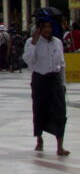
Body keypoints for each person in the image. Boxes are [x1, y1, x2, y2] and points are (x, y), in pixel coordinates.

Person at [23, 16, 69, 156]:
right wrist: (34, 43)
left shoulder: (57, 42)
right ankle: (39, 138)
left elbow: (61, 64)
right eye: (45, 27)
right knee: (39, 108)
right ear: (39, 28)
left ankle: (60, 145)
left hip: (54, 79)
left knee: (60, 111)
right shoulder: (31, 42)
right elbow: (28, 60)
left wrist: (63, 83)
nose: (48, 30)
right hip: (40, 79)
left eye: (50, 27)